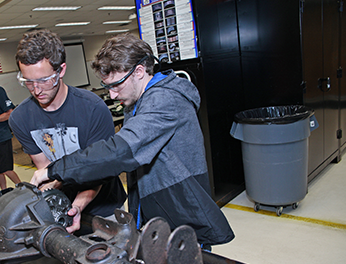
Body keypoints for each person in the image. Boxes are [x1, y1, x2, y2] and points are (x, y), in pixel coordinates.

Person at [31, 33, 235, 249]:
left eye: (116, 85)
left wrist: (54, 170)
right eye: (106, 86)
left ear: (139, 72)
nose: (111, 95)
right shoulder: (138, 102)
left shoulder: (165, 100)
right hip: (157, 210)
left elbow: (119, 152)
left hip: (181, 212)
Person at [9, 29, 126, 234]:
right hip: (60, 208)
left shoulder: (93, 108)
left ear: (61, 70)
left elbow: (98, 170)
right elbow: (46, 169)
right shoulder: (20, 118)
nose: (36, 90)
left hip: (103, 208)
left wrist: (77, 207)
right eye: (28, 81)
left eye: (44, 80)